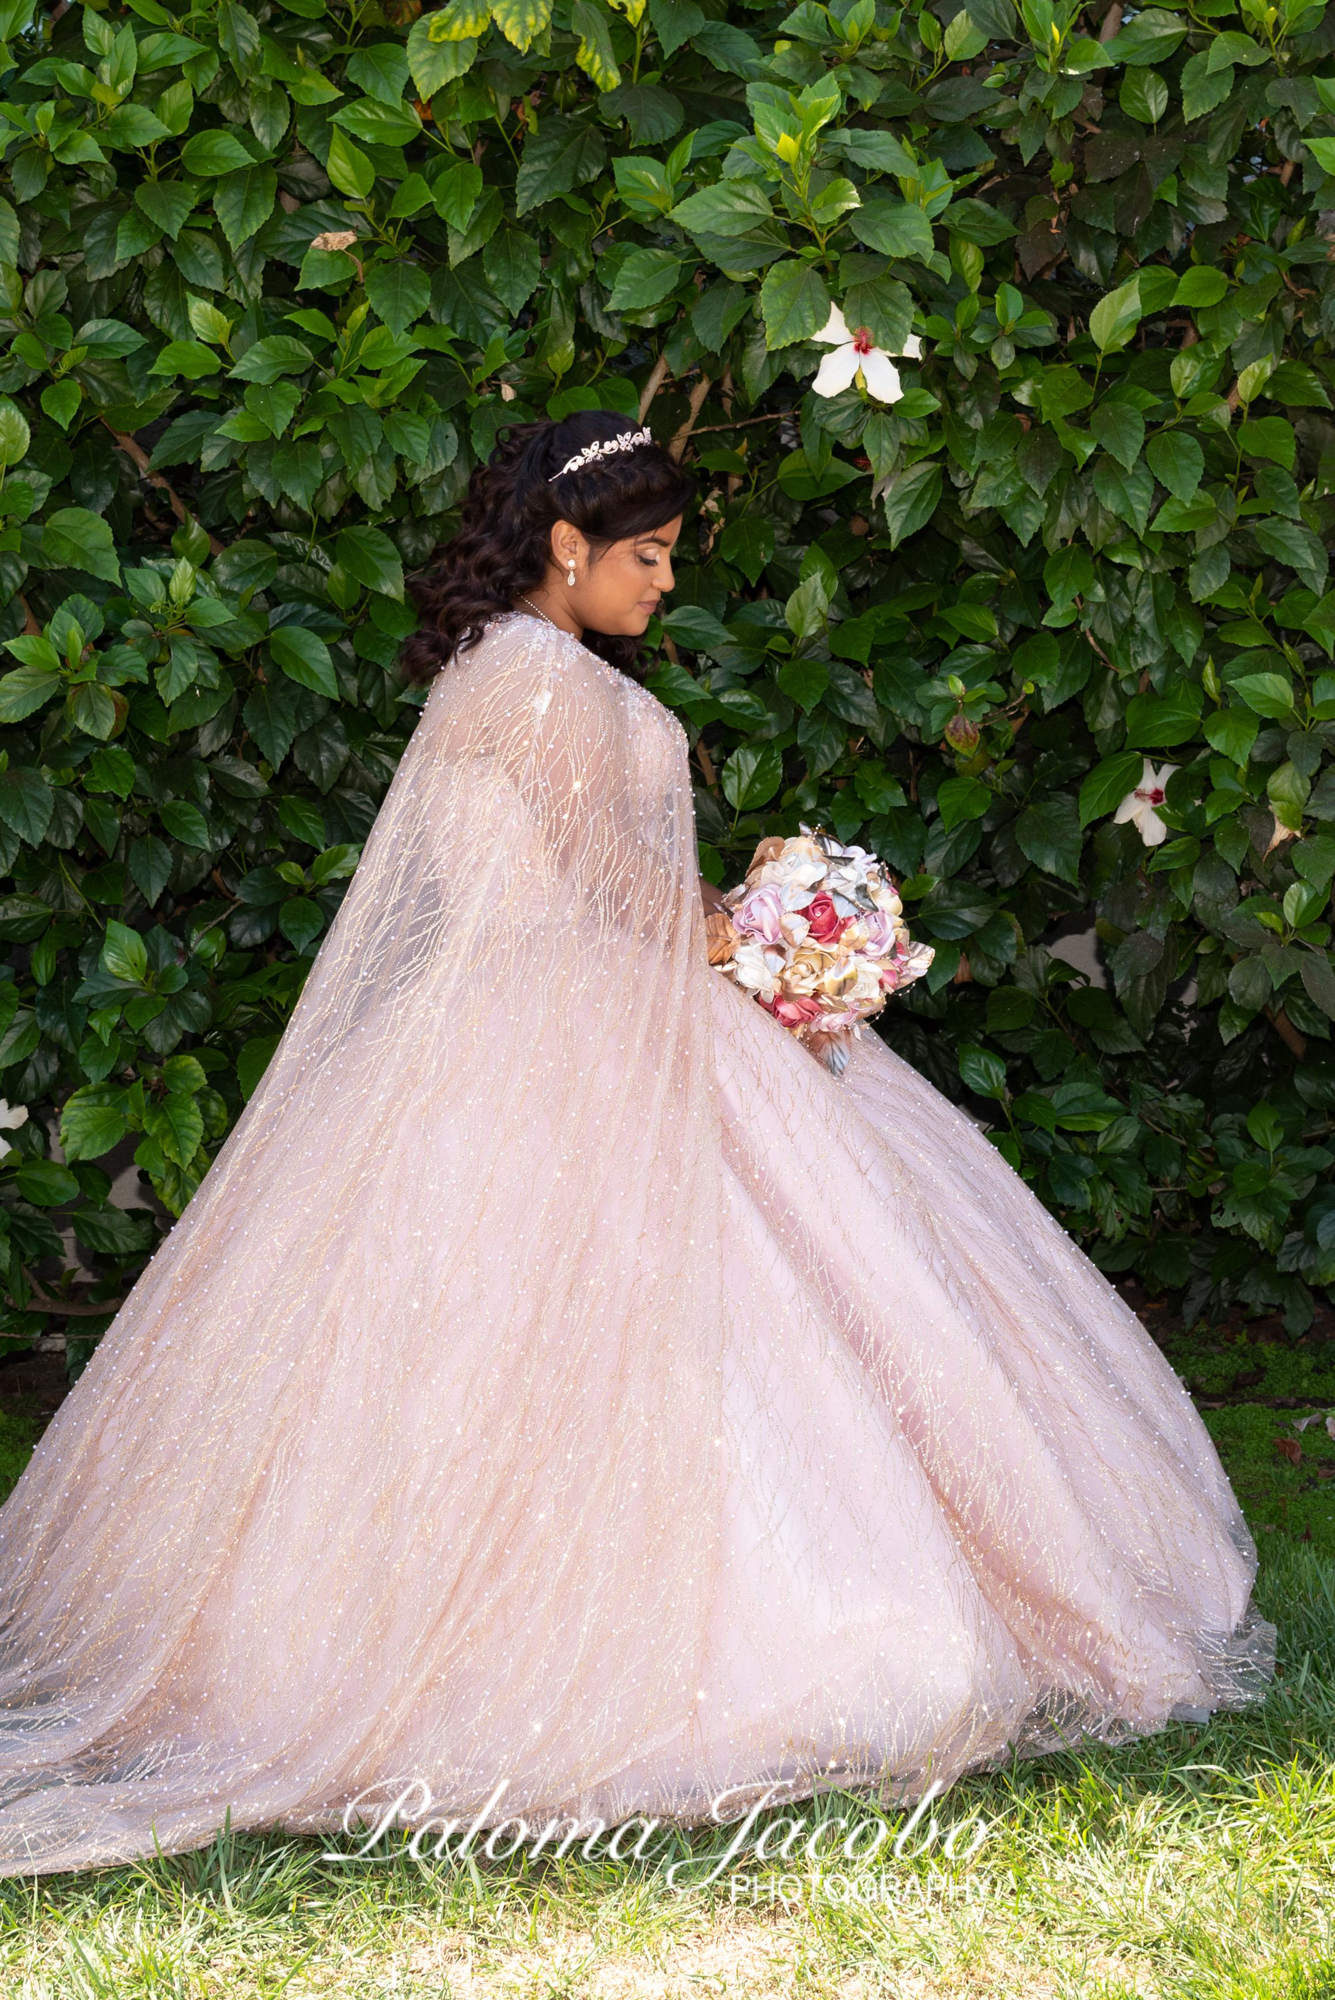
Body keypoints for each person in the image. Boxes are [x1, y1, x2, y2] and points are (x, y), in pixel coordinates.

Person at [0, 411, 1275, 1877]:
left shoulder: (531, 674)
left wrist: (777, 941)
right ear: (566, 544)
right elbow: (615, 891)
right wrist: (786, 943)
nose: (665, 584)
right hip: (566, 1020)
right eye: (649, 555)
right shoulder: (537, 687)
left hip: (562, 1016)